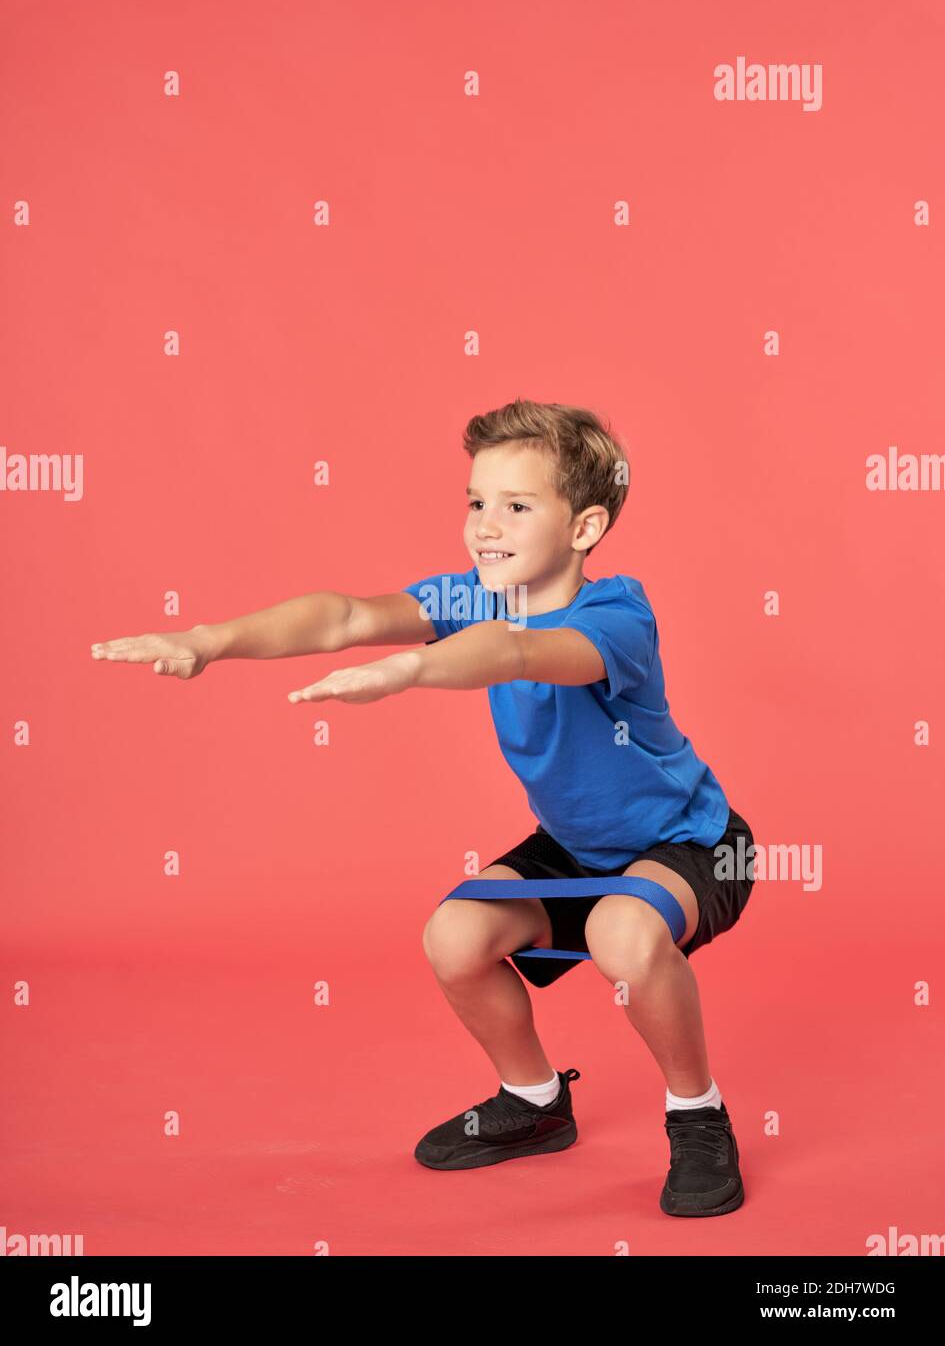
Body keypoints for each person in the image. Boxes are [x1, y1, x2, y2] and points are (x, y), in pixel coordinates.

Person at [90, 398, 756, 1217]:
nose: (485, 525)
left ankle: (698, 1115)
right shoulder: (472, 597)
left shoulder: (617, 617)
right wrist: (208, 640)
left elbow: (518, 649)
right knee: (454, 935)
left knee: (624, 931)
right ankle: (535, 1103)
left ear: (583, 527)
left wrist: (408, 671)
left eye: (516, 506)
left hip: (695, 842)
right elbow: (342, 615)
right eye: (476, 502)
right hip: (578, 847)